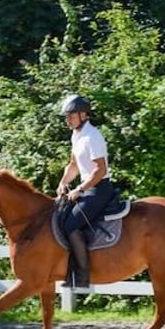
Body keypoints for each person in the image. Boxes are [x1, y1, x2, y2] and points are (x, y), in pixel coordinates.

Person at [56, 94, 115, 288]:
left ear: (83, 115)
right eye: (67, 116)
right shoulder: (76, 135)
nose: (68, 120)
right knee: (60, 217)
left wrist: (80, 188)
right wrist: (63, 182)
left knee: (71, 224)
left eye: (71, 116)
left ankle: (81, 275)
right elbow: (73, 165)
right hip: (87, 187)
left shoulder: (93, 136)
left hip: (98, 189)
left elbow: (100, 169)